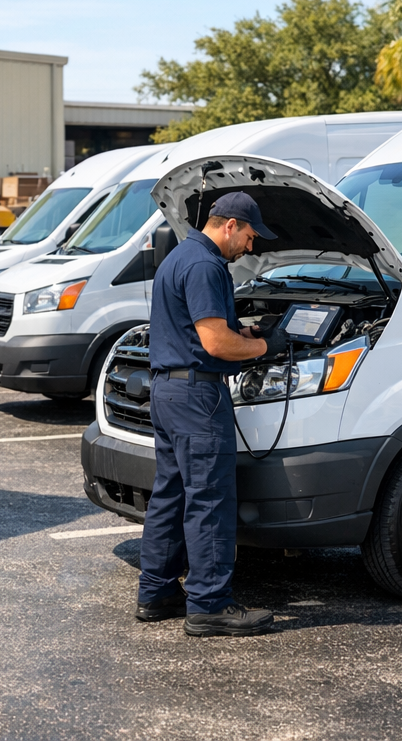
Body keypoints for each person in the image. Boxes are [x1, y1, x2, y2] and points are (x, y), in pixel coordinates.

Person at [136, 191, 287, 637]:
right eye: (250, 236)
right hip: (199, 398)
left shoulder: (182, 256)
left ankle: (158, 592)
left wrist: (243, 329)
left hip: (168, 391)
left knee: (171, 494)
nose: (251, 247)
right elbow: (215, 345)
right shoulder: (206, 267)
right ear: (229, 225)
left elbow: (204, 327)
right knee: (210, 500)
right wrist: (265, 346)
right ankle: (209, 604)